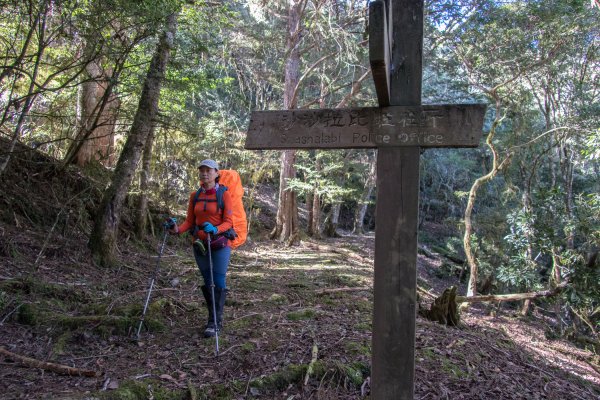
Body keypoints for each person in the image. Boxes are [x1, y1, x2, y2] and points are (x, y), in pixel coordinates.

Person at [169, 159, 233, 338]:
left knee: (218, 281)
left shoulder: (224, 194)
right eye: (202, 170)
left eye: (208, 170)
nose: (204, 173)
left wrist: (216, 229)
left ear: (216, 173)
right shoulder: (195, 195)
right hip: (200, 244)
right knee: (207, 280)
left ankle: (216, 322)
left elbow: (229, 222)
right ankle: (211, 319)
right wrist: (177, 230)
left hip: (220, 244)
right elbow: (190, 221)